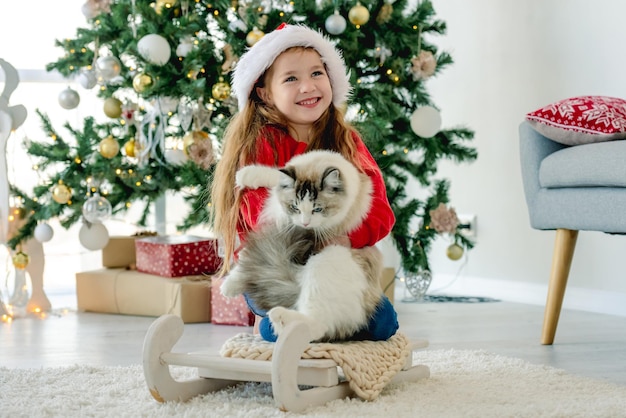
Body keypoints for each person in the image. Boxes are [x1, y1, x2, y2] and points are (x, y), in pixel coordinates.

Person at [211, 23, 398, 341]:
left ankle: (322, 324)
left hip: (337, 264)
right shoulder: (260, 145)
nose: (308, 86)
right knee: (278, 328)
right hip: (281, 265)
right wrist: (318, 235)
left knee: (383, 324)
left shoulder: (347, 142)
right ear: (265, 93)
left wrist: (345, 240)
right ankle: (291, 322)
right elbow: (264, 220)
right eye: (291, 79)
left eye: (316, 74)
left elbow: (381, 212)